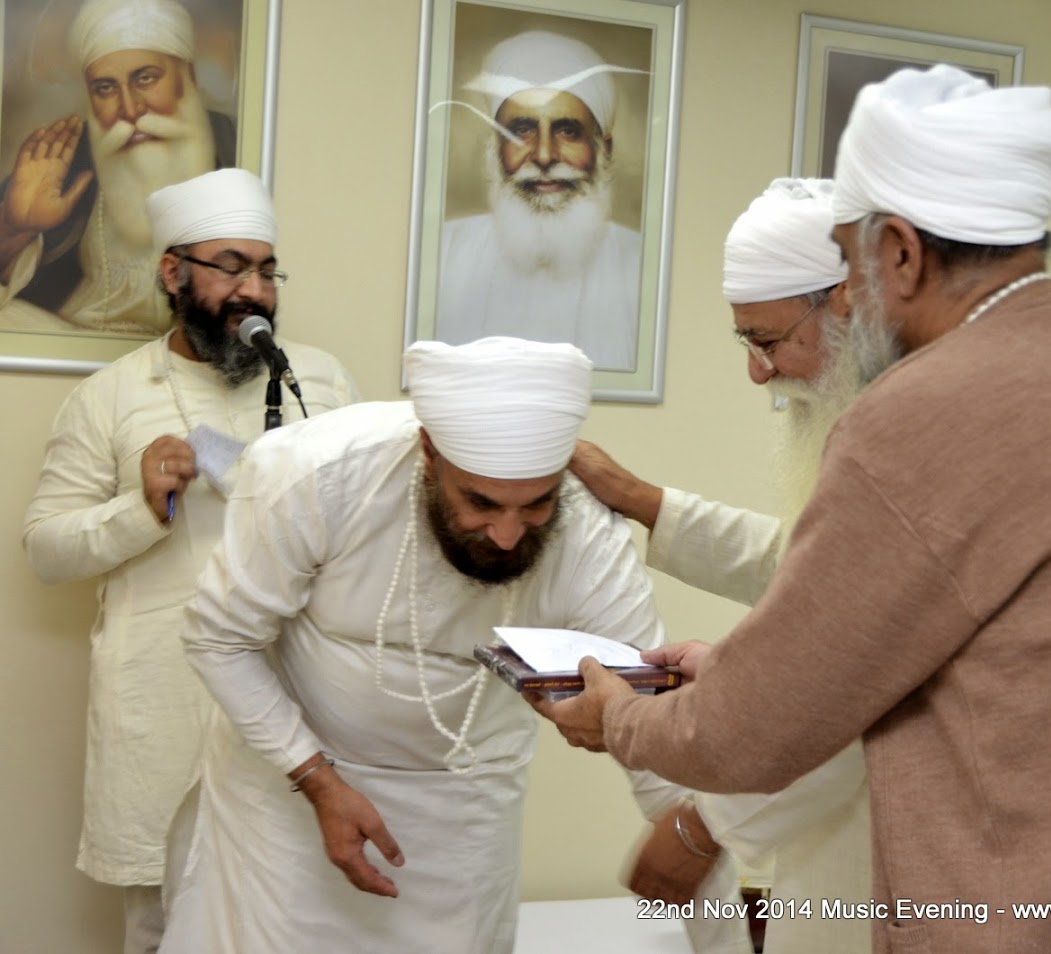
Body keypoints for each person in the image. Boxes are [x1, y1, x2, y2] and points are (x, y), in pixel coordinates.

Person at [533, 65, 1051, 952]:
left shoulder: (925, 408)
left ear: (901, 253)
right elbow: (980, 617)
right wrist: (733, 651)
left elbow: (752, 732)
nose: (849, 294)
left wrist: (621, 718)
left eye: (848, 262)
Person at [160, 337, 750, 954]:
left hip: (465, 813)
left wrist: (691, 836)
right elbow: (219, 637)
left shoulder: (586, 531)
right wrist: (317, 782)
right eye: (480, 502)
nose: (507, 534)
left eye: (537, 503)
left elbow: (651, 711)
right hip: (286, 797)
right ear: (428, 453)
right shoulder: (317, 474)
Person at [21, 166, 359, 954]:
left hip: (302, 704)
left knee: (299, 917)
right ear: (173, 272)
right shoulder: (111, 397)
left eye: (267, 270)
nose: (255, 291)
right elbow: (47, 550)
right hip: (164, 703)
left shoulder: (321, 384)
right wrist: (142, 508)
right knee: (162, 926)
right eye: (231, 267)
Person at [570, 177, 872, 954]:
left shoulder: (913, 440)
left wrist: (705, 825)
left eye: (767, 341)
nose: (759, 374)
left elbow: (865, 682)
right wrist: (642, 501)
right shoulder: (860, 421)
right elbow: (812, 567)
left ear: (845, 301)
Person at [0, 0, 237, 335]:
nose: (129, 108)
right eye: (106, 88)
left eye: (146, 79)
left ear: (189, 76)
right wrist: (15, 227)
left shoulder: (232, 148)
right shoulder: (68, 158)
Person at [435, 30, 642, 372]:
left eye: (568, 131)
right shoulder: (445, 251)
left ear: (604, 149)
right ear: (496, 147)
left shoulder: (639, 266)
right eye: (522, 130)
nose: (545, 155)